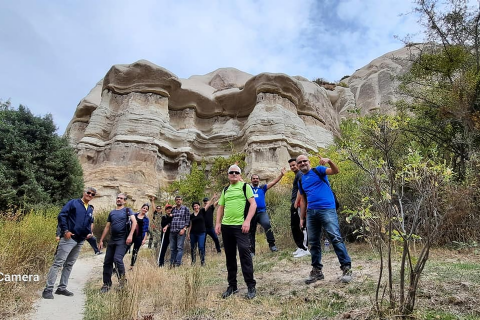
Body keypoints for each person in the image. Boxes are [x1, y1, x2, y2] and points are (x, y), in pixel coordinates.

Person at [296, 154, 352, 284]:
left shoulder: (318, 170)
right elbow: (303, 200)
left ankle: (346, 269)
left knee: (335, 238)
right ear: (298, 166)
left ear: (309, 162)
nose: (303, 163)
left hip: (327, 209)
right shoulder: (301, 180)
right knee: (314, 242)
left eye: (304, 161)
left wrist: (330, 161)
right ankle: (317, 271)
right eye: (300, 162)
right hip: (311, 213)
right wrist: (301, 218)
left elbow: (335, 171)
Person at [42, 187, 97, 299]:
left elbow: (89, 222)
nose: (90, 195)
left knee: (69, 264)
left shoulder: (90, 209)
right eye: (88, 192)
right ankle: (48, 290)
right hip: (69, 238)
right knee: (58, 263)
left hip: (80, 240)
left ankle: (62, 288)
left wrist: (89, 233)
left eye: (92, 194)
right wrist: (65, 231)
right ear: (84, 192)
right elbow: (62, 216)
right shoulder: (73, 203)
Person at [216, 164, 257, 299]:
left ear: (240, 175)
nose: (233, 174)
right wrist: (217, 223)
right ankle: (232, 286)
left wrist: (247, 221)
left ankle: (251, 286)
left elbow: (253, 204)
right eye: (231, 172)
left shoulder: (246, 187)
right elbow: (220, 207)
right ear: (228, 175)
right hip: (226, 227)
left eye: (236, 172)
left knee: (245, 255)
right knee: (230, 257)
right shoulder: (225, 189)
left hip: (241, 226)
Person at [99, 193, 137, 292]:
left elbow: (134, 222)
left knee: (117, 259)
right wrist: (101, 240)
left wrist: (130, 235)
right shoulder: (112, 213)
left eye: (121, 198)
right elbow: (107, 227)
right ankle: (106, 284)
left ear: (125, 201)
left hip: (122, 239)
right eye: (118, 198)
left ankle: (122, 281)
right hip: (112, 239)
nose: (119, 199)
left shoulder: (127, 210)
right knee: (107, 261)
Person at [249, 168, 286, 255]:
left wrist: (281, 175)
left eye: (257, 178)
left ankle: (272, 245)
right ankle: (251, 251)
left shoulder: (262, 188)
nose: (255, 180)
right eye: (253, 178)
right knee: (251, 231)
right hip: (251, 213)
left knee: (267, 225)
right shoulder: (248, 188)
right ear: (251, 180)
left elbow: (273, 183)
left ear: (259, 180)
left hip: (262, 212)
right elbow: (241, 180)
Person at [288, 158, 310, 258]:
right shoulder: (297, 175)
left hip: (299, 203)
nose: (293, 167)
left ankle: (305, 248)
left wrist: (297, 202)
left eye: (294, 165)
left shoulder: (300, 174)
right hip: (296, 203)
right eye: (291, 166)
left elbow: (301, 191)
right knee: (296, 226)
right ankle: (301, 247)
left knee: (302, 226)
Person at [168, 195, 190, 267]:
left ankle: (178, 263)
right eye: (177, 199)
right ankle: (172, 263)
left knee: (179, 247)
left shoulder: (185, 209)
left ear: (182, 201)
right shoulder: (173, 209)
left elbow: (187, 220)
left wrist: (184, 229)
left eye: (180, 199)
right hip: (172, 231)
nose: (178, 200)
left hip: (180, 231)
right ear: (175, 201)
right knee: (172, 248)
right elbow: (169, 219)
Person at [127, 203, 150, 270]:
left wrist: (144, 239)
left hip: (139, 237)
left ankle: (131, 266)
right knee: (125, 249)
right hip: (131, 236)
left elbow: (145, 230)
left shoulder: (146, 219)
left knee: (135, 251)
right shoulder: (134, 215)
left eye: (146, 209)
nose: (145, 210)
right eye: (144, 208)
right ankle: (118, 264)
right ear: (141, 208)